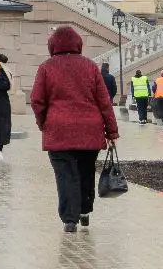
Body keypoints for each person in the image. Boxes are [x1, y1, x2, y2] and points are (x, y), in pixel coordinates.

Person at [29, 25, 119, 234]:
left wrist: (44, 123)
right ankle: (85, 211)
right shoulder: (90, 66)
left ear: (53, 45)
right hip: (90, 130)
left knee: (65, 175)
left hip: (58, 130)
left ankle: (70, 219)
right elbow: (104, 102)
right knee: (86, 171)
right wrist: (112, 132)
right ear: (78, 43)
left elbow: (37, 100)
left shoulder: (46, 67)